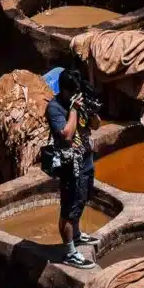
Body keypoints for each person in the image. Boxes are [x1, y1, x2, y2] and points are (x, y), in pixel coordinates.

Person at [46, 69, 99, 269]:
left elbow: (95, 125)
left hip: (85, 159)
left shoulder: (78, 101)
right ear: (64, 90)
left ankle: (76, 236)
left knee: (82, 198)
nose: (75, 95)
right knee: (68, 208)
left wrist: (91, 111)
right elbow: (66, 135)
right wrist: (74, 110)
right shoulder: (55, 107)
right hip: (70, 164)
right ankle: (69, 253)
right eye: (72, 92)